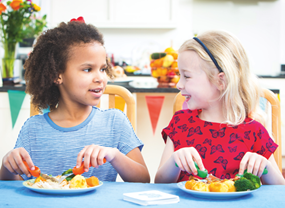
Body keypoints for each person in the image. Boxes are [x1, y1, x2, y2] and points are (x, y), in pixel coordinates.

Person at [0, 17, 150, 183]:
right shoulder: (33, 129)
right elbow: (10, 187)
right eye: (88, 69)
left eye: (102, 69)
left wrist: (114, 155)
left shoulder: (115, 122)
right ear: (57, 75)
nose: (101, 78)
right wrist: (7, 166)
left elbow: (143, 180)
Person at [155, 30, 285, 185]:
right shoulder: (180, 122)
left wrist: (266, 167)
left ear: (220, 81)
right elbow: (159, 182)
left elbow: (279, 189)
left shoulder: (253, 130)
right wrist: (174, 161)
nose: (179, 84)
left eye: (187, 76)